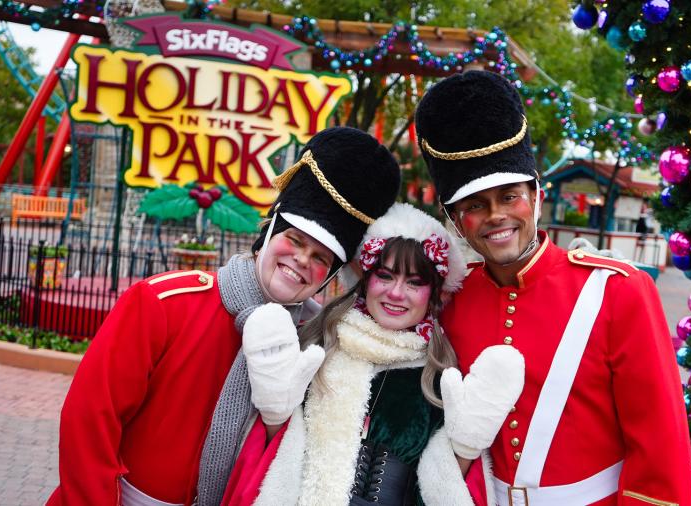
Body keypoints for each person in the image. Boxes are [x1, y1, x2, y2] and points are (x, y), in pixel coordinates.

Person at [47, 127, 402, 506]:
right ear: (268, 233)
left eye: (320, 258)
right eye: (295, 240)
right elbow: (89, 420)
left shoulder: (315, 341)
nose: (302, 260)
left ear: (328, 278)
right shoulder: (165, 302)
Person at [415, 70, 691, 506]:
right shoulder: (452, 301)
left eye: (510, 196)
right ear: (455, 222)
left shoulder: (620, 291)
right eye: (474, 205)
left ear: (537, 196)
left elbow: (660, 450)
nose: (495, 216)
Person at [214, 202, 525, 506]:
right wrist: (273, 413)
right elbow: (265, 460)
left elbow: (442, 488)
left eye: (415, 282)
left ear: (434, 294)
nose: (396, 293)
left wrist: (466, 447)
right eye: (385, 275)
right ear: (366, 280)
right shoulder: (314, 347)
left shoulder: (441, 379)